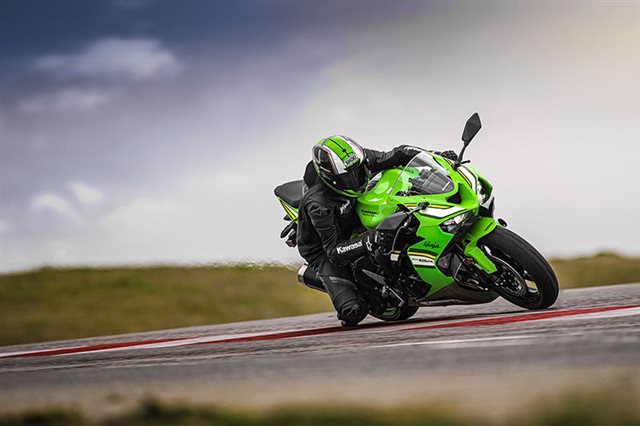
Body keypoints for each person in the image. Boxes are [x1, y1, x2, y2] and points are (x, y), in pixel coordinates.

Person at [296, 135, 457, 326]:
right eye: (349, 177)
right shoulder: (319, 205)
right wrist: (371, 239)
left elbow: (400, 153)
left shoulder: (358, 160)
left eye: (359, 170)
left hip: (356, 214)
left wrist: (436, 157)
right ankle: (344, 286)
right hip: (324, 249)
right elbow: (334, 252)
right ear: (332, 179)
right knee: (353, 312)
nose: (358, 177)